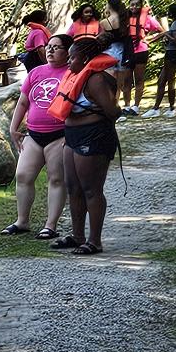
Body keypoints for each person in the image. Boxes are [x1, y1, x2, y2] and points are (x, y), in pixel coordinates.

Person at [52, 35, 122, 252]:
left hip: (93, 136)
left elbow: (112, 111)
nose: (69, 62)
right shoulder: (75, 76)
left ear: (85, 59)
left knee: (91, 189)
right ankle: (77, 235)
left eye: (72, 58)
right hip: (72, 136)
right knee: (73, 188)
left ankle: (94, 241)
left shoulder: (96, 79)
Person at [4, 35, 71, 239]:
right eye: (49, 47)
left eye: (57, 48)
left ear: (68, 52)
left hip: (59, 135)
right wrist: (13, 127)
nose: (50, 51)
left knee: (56, 178)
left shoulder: (71, 74)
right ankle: (22, 221)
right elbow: (23, 102)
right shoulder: (35, 73)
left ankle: (50, 225)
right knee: (23, 175)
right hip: (33, 134)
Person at [147, 6, 176, 117]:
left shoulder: (175, 24)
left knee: (170, 81)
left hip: (172, 53)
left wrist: (166, 34)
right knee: (161, 81)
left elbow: (175, 39)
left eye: (169, 11)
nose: (167, 13)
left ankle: (171, 108)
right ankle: (156, 108)